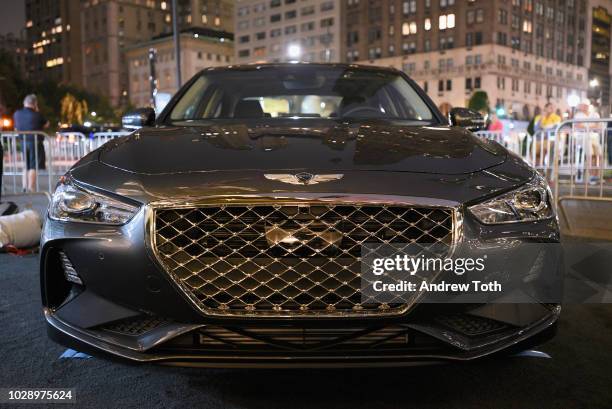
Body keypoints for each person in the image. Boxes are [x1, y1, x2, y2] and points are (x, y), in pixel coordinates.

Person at [13, 94, 49, 192]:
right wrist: (37, 110)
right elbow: (46, 124)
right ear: (35, 103)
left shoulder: (17, 113)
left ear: (24, 103)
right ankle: (31, 188)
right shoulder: (37, 114)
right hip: (35, 142)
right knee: (33, 165)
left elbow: (16, 127)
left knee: (26, 165)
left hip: (23, 142)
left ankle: (24, 187)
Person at [574, 101, 603, 185]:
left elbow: (599, 126)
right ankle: (591, 176)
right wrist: (591, 126)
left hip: (594, 137)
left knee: (599, 155)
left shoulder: (595, 114)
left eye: (583, 105)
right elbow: (578, 126)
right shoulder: (578, 115)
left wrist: (585, 126)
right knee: (590, 154)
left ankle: (596, 175)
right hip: (582, 138)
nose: (582, 107)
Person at [532, 103, 562, 168]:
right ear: (545, 108)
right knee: (535, 154)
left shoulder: (557, 118)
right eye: (550, 107)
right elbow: (536, 130)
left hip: (551, 141)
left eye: (553, 107)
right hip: (540, 140)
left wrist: (543, 131)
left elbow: (555, 129)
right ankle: (538, 168)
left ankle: (547, 170)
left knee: (548, 152)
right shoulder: (538, 117)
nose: (552, 109)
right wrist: (541, 119)